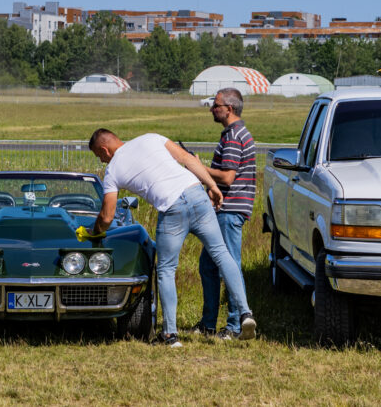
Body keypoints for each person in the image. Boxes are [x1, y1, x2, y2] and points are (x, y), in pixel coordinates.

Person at [88, 128, 257, 347]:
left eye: (99, 156)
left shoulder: (112, 170)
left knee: (166, 270)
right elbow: (188, 159)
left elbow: (107, 216)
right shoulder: (151, 138)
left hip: (172, 208)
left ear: (104, 149)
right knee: (222, 254)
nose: (101, 161)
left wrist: (94, 232)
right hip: (196, 192)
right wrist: (213, 186)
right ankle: (245, 313)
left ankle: (170, 335)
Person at [191, 88, 256, 340]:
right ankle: (208, 323)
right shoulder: (233, 133)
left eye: (215, 105)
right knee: (207, 266)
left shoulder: (234, 136)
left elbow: (228, 176)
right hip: (224, 209)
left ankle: (235, 325)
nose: (212, 108)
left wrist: (198, 167)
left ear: (228, 108)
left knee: (230, 267)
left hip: (229, 212)